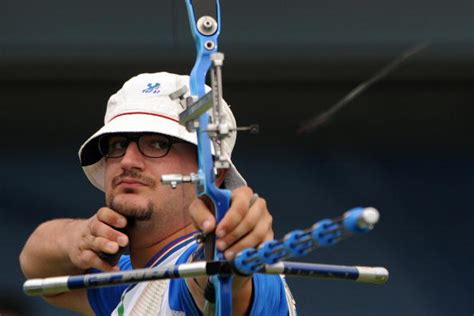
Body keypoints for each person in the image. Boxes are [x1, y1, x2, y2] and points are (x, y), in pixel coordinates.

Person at [20, 72, 296, 315]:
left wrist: (233, 250)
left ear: (212, 173)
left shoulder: (190, 280)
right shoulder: (125, 281)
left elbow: (219, 285)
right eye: (118, 144)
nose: (127, 161)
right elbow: (34, 264)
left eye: (157, 144)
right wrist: (77, 238)